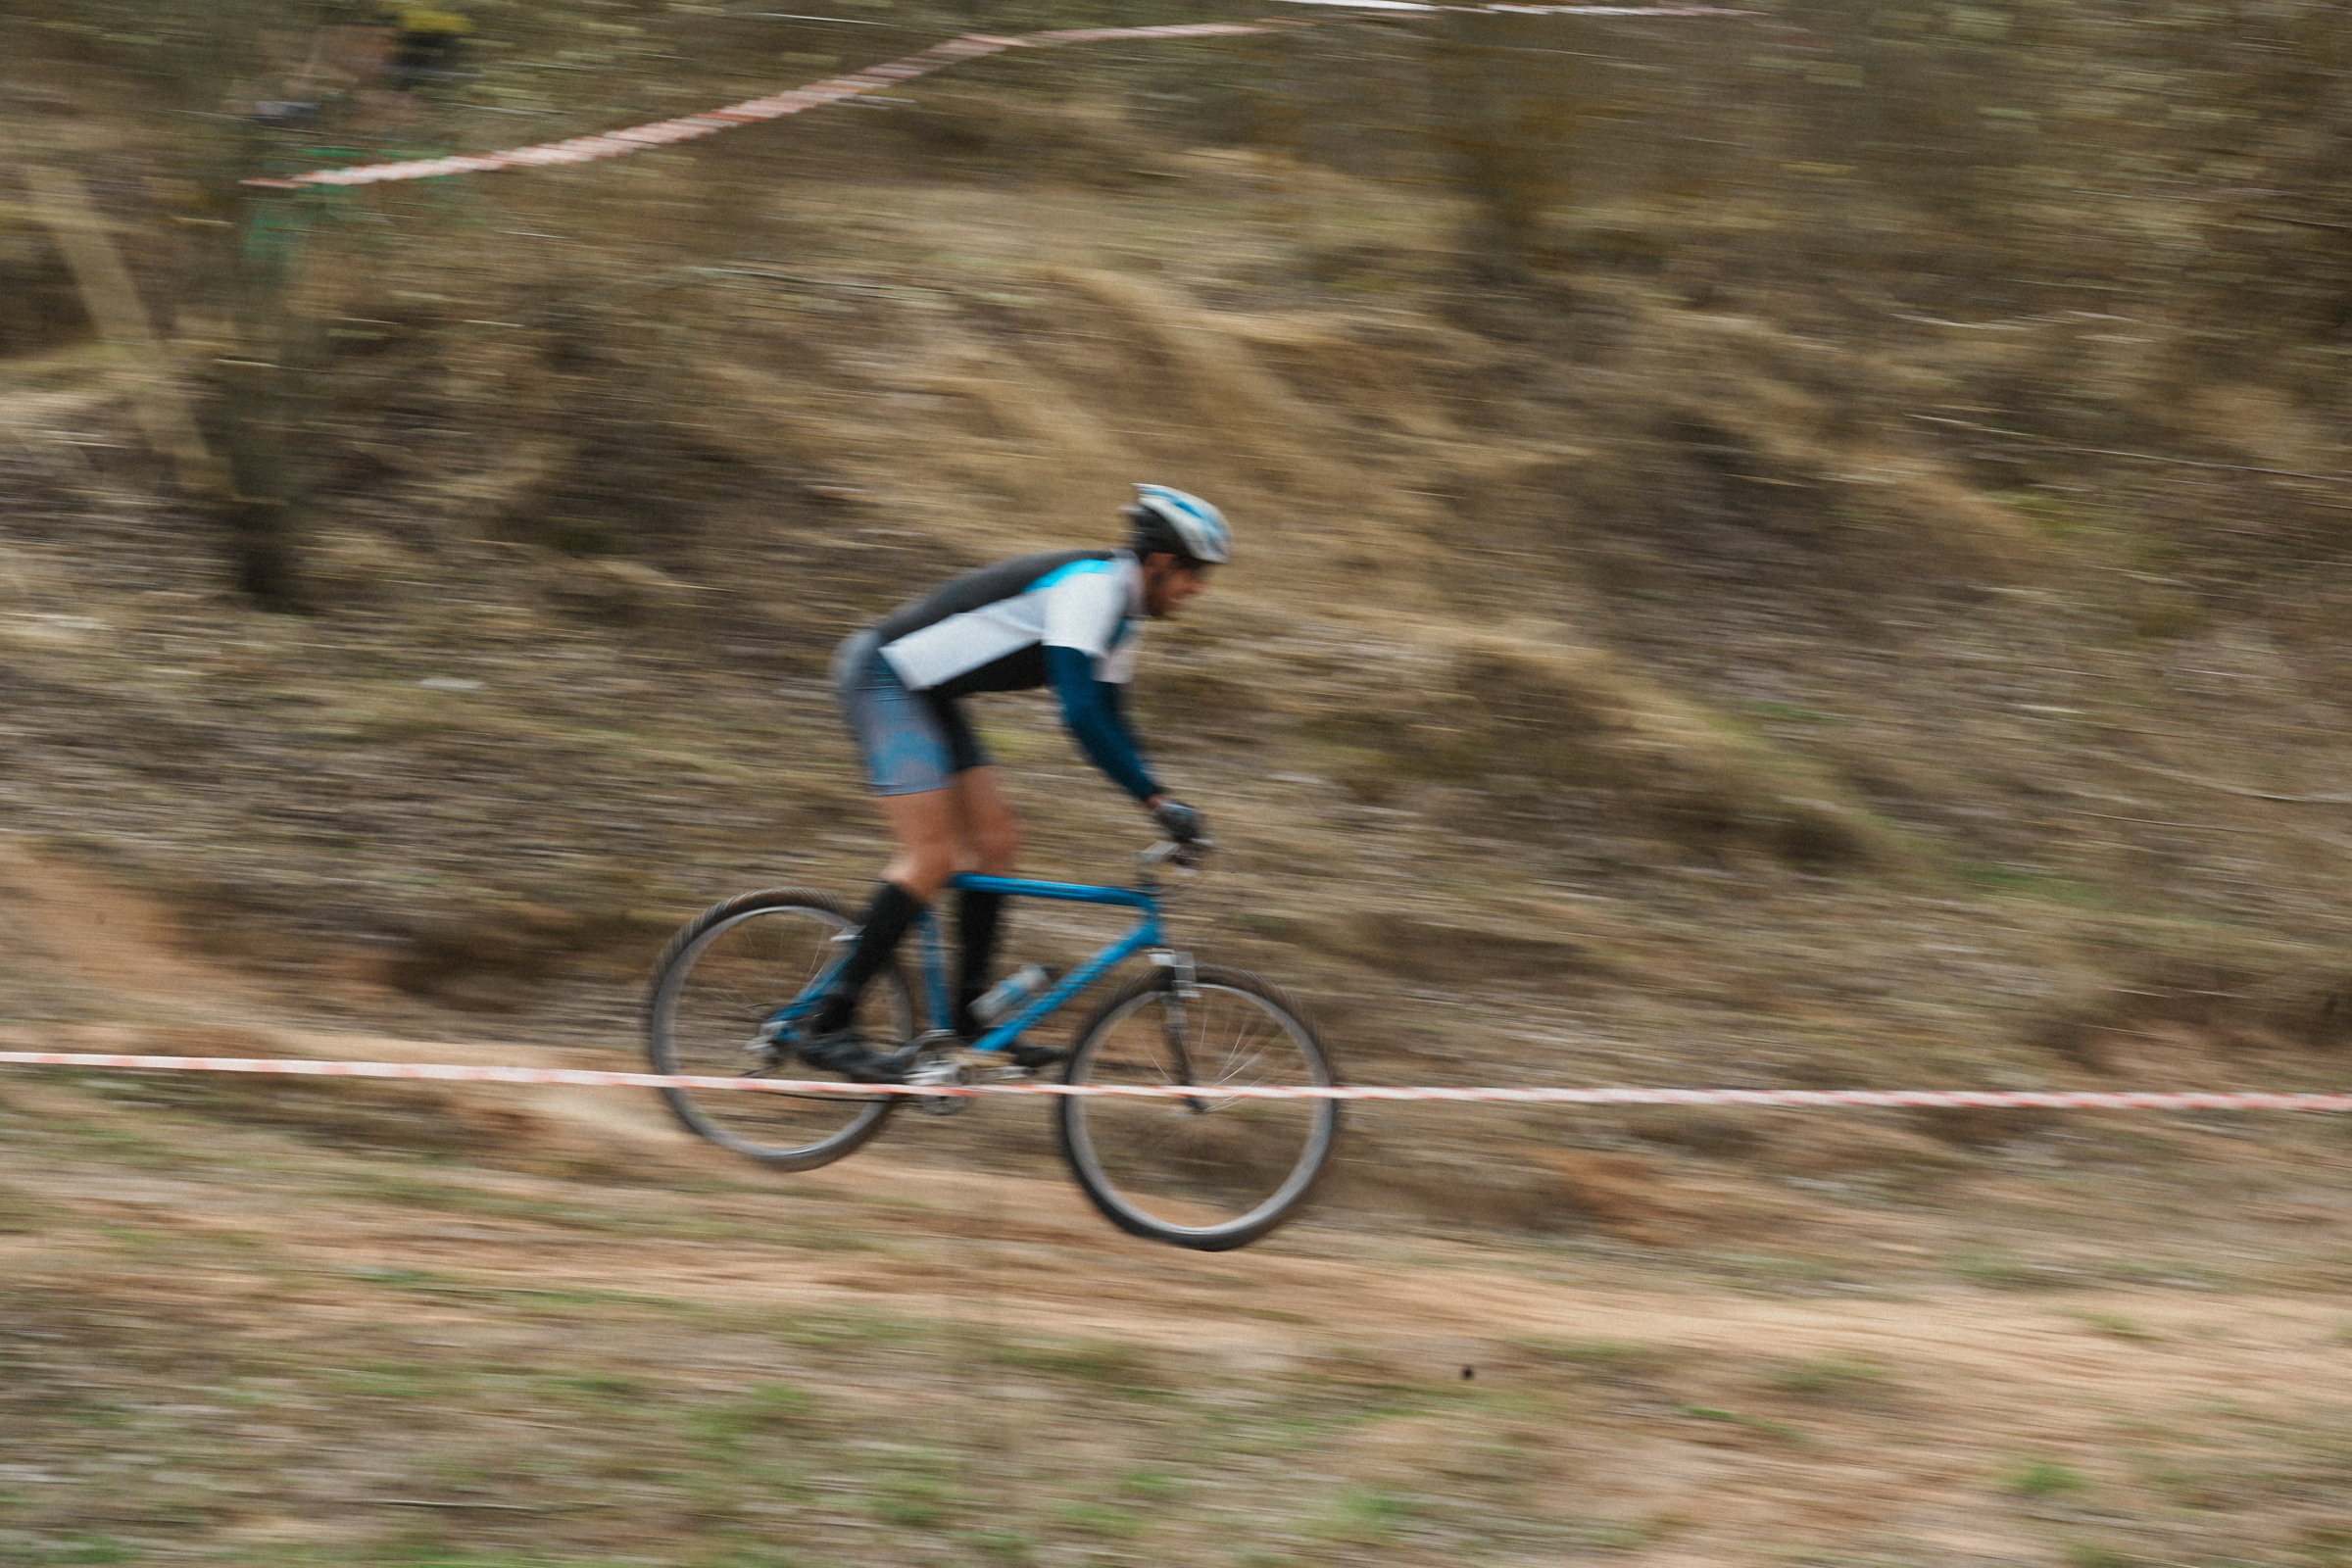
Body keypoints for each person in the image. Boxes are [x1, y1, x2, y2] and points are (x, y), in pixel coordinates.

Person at [806, 484, 1231, 1083]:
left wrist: (1163, 800)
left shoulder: (1124, 615)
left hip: (930, 695)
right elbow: (1079, 715)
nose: (1199, 591)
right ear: (1162, 564)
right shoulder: (1090, 589)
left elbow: (1113, 717)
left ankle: (968, 1020)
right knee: (932, 857)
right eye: (1195, 576)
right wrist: (1156, 802)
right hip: (885, 678)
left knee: (999, 841)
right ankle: (829, 1022)